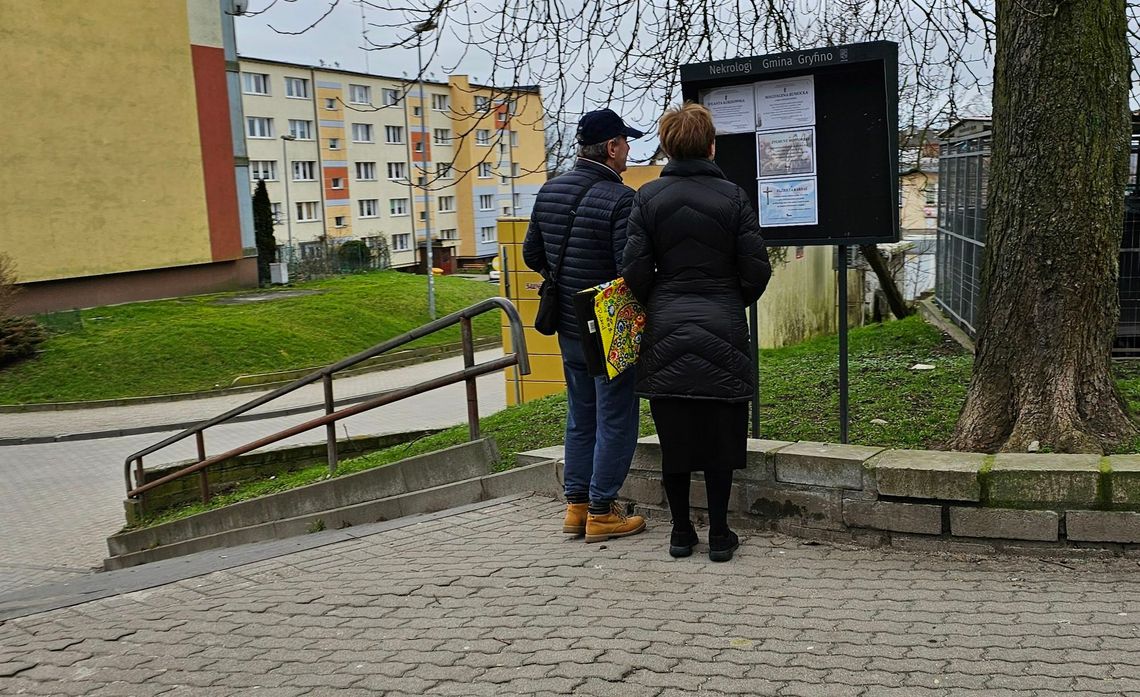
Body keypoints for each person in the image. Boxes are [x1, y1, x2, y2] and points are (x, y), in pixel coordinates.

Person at [622, 103, 772, 562]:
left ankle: (681, 533)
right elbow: (756, 271)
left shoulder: (647, 197)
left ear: (666, 146)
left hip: (666, 324)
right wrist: (729, 300)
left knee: (675, 438)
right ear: (711, 145)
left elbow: (634, 269)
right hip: (723, 323)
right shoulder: (734, 197)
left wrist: (660, 301)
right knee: (722, 436)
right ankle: (722, 535)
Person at [523, 108, 648, 543]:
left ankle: (576, 508)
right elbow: (626, 269)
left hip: (568, 324)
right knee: (616, 415)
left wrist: (568, 278)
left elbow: (532, 256)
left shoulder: (549, 190)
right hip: (607, 325)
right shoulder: (620, 199)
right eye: (626, 142)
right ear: (612, 148)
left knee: (581, 415)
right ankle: (602, 511)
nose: (630, 149)